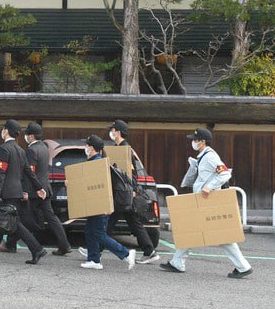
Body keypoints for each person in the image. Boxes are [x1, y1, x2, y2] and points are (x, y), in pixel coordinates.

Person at [160, 128, 252, 279]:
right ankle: (177, 262)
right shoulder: (203, 156)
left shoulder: (210, 157)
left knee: (220, 236)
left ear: (202, 142)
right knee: (192, 229)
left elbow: (225, 173)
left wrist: (209, 187)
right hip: (201, 200)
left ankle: (243, 267)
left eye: (195, 140)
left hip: (207, 201)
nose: (193, 142)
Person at [0, 120, 47, 264]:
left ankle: (37, 249)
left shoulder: (4, 148)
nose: (2, 131)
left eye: (3, 129)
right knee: (3, 220)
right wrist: (39, 187)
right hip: (17, 191)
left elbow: (1, 172)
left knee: (14, 224)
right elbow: (28, 172)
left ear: (7, 131)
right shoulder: (21, 150)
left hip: (7, 192)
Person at [104, 119, 159, 264]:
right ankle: (149, 251)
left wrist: (133, 189)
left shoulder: (125, 149)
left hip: (124, 192)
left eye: (113, 130)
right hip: (122, 192)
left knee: (111, 221)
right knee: (134, 223)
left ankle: (94, 250)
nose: (111, 132)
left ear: (118, 132)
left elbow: (132, 173)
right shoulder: (118, 147)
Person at [79, 134, 136, 270]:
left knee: (98, 233)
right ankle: (94, 260)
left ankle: (126, 254)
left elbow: (100, 186)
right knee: (89, 231)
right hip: (96, 205)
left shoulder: (97, 163)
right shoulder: (97, 161)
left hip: (100, 205)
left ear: (92, 148)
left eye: (87, 145)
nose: (85, 148)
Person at [23, 122, 71, 255]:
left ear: (31, 136)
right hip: (46, 187)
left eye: (26, 134)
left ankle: (14, 243)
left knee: (24, 217)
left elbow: (30, 173)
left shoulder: (31, 150)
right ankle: (64, 245)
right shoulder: (44, 147)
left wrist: (26, 190)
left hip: (36, 190)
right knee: (51, 218)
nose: (25, 136)